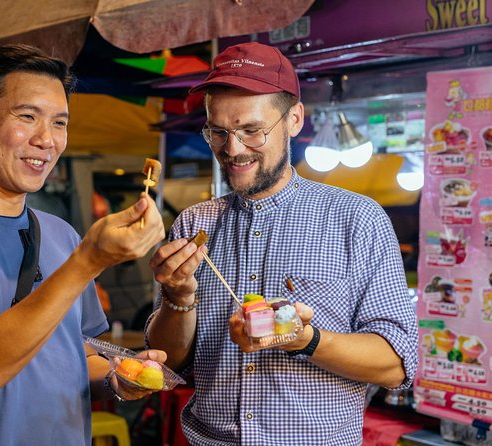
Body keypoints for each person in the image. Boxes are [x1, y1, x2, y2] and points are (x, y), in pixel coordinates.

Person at [146, 42, 418, 446]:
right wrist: (178, 296)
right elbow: (169, 364)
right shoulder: (194, 222)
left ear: (294, 119)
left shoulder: (356, 219)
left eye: (251, 131)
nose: (233, 149)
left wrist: (305, 340)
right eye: (218, 132)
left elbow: (396, 364)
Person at [0, 44, 166, 446]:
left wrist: (119, 374)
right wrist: (87, 262)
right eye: (27, 117)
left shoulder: (60, 234)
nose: (47, 140)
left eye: (60, 123)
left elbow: (78, 356)